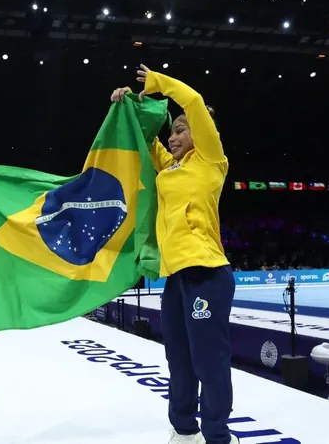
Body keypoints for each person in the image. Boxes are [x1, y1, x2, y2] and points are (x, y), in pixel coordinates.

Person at [111, 65, 238, 444]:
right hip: (175, 276)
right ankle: (184, 430)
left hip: (207, 273)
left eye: (181, 128)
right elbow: (145, 140)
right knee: (178, 361)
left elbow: (193, 101)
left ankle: (217, 436)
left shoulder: (211, 160)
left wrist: (156, 84)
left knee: (208, 361)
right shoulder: (171, 167)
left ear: (202, 133)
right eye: (173, 129)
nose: (174, 134)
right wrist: (129, 105)